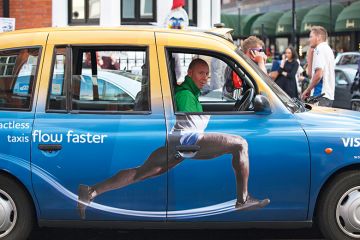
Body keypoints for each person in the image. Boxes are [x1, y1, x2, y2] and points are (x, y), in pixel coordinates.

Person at [77, 59, 269, 219]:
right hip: (189, 141)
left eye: (207, 74)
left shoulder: (190, 92)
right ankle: (243, 200)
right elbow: (191, 125)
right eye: (201, 73)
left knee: (140, 173)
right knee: (240, 143)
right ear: (190, 72)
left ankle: (91, 191)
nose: (205, 78)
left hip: (177, 141)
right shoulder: (185, 94)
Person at [301, 26, 335, 107]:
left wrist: (308, 89)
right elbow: (311, 74)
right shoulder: (327, 49)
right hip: (327, 96)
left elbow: (319, 74)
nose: (309, 39)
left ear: (318, 37)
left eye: (311, 36)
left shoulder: (319, 49)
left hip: (319, 95)